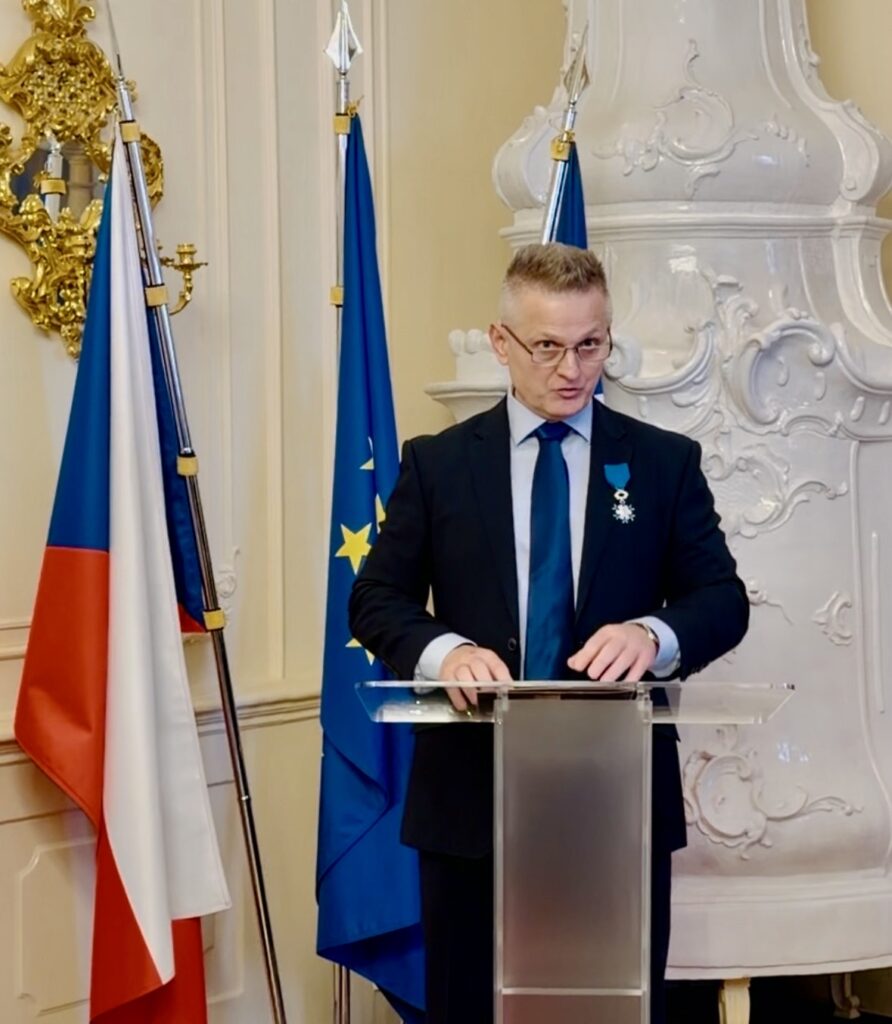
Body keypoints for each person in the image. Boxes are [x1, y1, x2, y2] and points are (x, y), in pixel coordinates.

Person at [349, 242, 749, 1024]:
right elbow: (375, 598)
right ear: (501, 343)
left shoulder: (662, 463)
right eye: (548, 347)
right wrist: (447, 652)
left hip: (617, 804)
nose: (572, 369)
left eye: (590, 345)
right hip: (470, 803)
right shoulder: (438, 465)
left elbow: (721, 599)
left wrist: (653, 635)